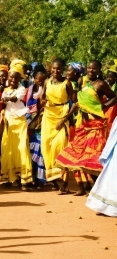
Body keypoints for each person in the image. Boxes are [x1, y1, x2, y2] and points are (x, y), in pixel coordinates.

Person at [55, 60, 116, 195]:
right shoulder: (83, 82)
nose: (91, 71)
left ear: (99, 70)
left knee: (94, 158)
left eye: (94, 69)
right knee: (76, 153)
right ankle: (87, 188)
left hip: (97, 126)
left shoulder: (101, 84)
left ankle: (101, 190)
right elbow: (77, 104)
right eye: (89, 68)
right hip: (84, 126)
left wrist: (103, 107)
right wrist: (65, 118)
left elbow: (114, 97)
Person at [40, 58, 75, 193]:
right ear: (50, 69)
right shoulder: (46, 82)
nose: (56, 71)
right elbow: (42, 97)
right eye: (54, 68)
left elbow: (75, 104)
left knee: (59, 146)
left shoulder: (67, 84)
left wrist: (65, 119)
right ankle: (54, 180)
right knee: (47, 148)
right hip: (48, 117)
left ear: (63, 69)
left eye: (59, 68)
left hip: (62, 116)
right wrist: (43, 102)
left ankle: (64, 183)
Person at [0, 62, 33, 188]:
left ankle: (25, 179)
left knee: (21, 149)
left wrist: (6, 98)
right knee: (9, 149)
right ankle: (11, 178)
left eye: (16, 77)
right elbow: (4, 105)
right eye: (11, 77)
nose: (13, 80)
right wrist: (2, 101)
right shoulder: (6, 90)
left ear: (20, 79)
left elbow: (15, 99)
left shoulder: (21, 90)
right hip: (9, 122)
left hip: (20, 122)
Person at [25, 65, 48, 189]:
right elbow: (26, 106)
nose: (40, 81)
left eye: (43, 79)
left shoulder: (46, 90)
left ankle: (41, 180)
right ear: (34, 78)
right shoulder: (29, 90)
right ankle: (33, 178)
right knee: (31, 151)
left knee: (40, 151)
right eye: (38, 79)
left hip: (42, 122)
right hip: (31, 124)